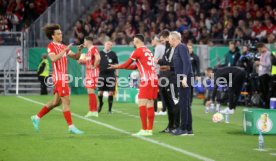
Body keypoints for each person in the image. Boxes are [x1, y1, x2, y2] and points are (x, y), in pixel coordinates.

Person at [31, 24, 84, 134]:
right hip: (59, 77)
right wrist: (65, 50)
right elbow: (54, 58)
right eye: (58, 34)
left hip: (63, 77)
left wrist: (79, 50)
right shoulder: (51, 46)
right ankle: (71, 126)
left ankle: (36, 117)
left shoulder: (62, 46)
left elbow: (76, 57)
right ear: (52, 36)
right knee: (67, 100)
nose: (61, 35)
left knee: (56, 102)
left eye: (61, 33)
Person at [109, 34, 158, 136]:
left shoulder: (138, 51)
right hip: (154, 79)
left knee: (142, 103)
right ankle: (149, 130)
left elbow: (127, 64)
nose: (133, 42)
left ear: (137, 41)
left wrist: (117, 66)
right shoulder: (148, 51)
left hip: (146, 79)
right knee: (150, 103)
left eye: (134, 40)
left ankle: (144, 129)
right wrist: (123, 67)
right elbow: (136, 66)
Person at [155, 29, 180, 133]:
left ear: (168, 38)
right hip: (164, 78)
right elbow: (165, 61)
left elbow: (175, 64)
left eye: (162, 40)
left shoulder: (176, 49)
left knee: (174, 102)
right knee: (168, 104)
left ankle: (177, 126)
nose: (162, 42)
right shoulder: (167, 49)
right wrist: (159, 61)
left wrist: (161, 62)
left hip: (172, 79)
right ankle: (170, 126)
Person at [169, 31, 193, 136]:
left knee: (183, 103)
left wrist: (183, 78)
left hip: (184, 78)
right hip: (182, 77)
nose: (169, 41)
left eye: (170, 39)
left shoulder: (181, 47)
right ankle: (188, 128)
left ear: (174, 39)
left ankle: (183, 128)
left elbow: (187, 62)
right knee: (186, 103)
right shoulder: (177, 49)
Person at [79, 36, 101, 117]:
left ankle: (93, 111)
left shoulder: (94, 48)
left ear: (88, 41)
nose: (84, 43)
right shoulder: (88, 51)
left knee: (91, 91)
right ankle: (92, 110)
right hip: (89, 74)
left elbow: (98, 58)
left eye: (84, 41)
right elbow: (89, 62)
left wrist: (94, 66)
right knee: (90, 92)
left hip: (93, 74)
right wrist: (82, 61)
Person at [97, 41, 118, 114]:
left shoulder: (113, 54)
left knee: (111, 93)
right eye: (107, 44)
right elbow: (96, 63)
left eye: (110, 44)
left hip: (111, 75)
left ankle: (109, 109)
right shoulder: (100, 53)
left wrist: (117, 76)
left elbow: (116, 65)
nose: (108, 45)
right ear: (104, 45)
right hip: (102, 75)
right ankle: (101, 103)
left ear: (111, 46)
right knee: (99, 93)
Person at [151, 35, 166, 115]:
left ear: (155, 40)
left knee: (156, 91)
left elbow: (155, 60)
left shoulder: (158, 48)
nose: (151, 42)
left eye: (152, 41)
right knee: (163, 91)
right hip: (164, 72)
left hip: (158, 72)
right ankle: (164, 110)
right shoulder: (164, 47)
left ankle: (155, 110)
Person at [256, 43, 271, 108]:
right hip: (261, 74)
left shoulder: (268, 54)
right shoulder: (262, 54)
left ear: (263, 47)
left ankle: (267, 105)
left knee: (266, 91)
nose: (259, 51)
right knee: (262, 91)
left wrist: (260, 63)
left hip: (265, 74)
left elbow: (268, 64)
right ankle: (265, 104)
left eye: (259, 49)